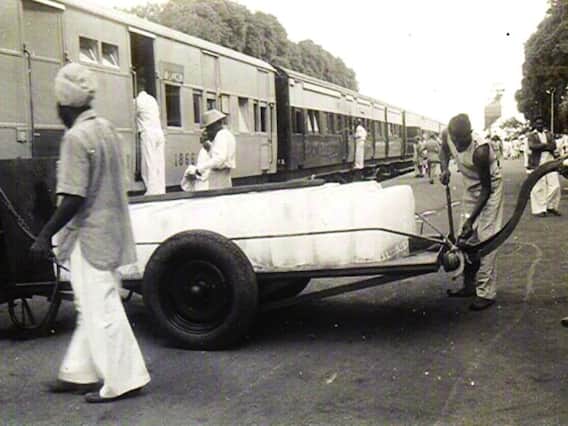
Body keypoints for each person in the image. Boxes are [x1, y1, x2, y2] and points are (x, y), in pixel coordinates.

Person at [30, 63, 150, 403]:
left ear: (64, 105)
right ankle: (78, 373)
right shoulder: (106, 129)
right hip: (111, 231)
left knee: (101, 310)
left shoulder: (75, 138)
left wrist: (45, 234)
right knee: (92, 304)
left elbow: (73, 197)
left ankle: (124, 381)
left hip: (89, 236)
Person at [440, 113, 504, 311]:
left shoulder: (480, 150)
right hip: (470, 188)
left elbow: (486, 189)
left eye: (463, 140)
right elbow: (444, 151)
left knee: (486, 239)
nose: (459, 145)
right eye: (456, 141)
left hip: (490, 190)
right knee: (465, 239)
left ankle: (486, 293)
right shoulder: (447, 134)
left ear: (470, 133)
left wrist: (472, 220)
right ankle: (469, 286)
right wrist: (444, 169)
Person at [184, 109, 236, 189]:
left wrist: (200, 169)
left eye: (209, 127)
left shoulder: (221, 135)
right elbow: (218, 156)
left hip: (217, 176)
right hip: (223, 175)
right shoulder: (227, 135)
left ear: (216, 124)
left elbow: (219, 159)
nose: (208, 130)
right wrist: (209, 149)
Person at [527, 117, 561, 217]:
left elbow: (554, 145)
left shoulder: (548, 134)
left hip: (550, 160)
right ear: (534, 125)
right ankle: (539, 210)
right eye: (538, 123)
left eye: (541, 123)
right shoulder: (531, 135)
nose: (540, 125)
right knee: (539, 186)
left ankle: (551, 206)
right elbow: (532, 146)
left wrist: (541, 146)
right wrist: (545, 145)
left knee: (555, 185)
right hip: (538, 162)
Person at [136, 88, 166, 195]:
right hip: (159, 132)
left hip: (148, 133)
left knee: (149, 162)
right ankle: (161, 190)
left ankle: (151, 190)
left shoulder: (138, 101)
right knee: (159, 163)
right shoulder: (153, 100)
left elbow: (132, 113)